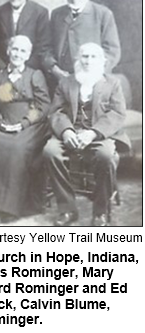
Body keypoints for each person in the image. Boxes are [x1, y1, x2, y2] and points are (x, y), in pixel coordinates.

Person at [43, 43, 130, 227]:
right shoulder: (66, 82)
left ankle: (100, 212)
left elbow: (118, 114)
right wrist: (66, 131)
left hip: (100, 134)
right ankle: (67, 209)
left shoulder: (113, 84)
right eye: (84, 56)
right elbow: (56, 112)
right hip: (70, 133)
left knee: (105, 155)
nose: (88, 61)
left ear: (102, 61)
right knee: (50, 151)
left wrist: (92, 133)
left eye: (93, 57)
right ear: (78, 59)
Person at [0, 35, 50, 226]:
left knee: (16, 147)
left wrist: (22, 123)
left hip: (30, 123)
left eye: (23, 51)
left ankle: (8, 208)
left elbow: (42, 105)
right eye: (15, 49)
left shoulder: (34, 75)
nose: (18, 54)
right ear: (8, 51)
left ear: (28, 54)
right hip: (3, 120)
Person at [44, 0, 121, 92]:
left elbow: (112, 51)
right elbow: (46, 47)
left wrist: (93, 74)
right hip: (61, 80)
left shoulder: (103, 14)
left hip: (94, 82)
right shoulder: (57, 14)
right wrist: (54, 69)